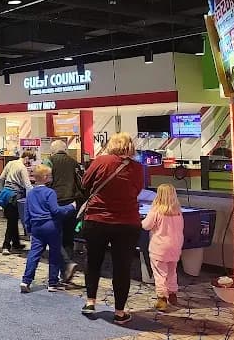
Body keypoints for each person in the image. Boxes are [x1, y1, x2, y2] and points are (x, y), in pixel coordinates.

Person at [80, 132, 144, 324]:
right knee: (122, 267)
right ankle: (119, 312)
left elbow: (84, 183)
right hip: (127, 222)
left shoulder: (101, 161)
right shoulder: (138, 168)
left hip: (97, 220)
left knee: (93, 262)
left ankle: (90, 302)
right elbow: (137, 190)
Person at [19, 165, 76, 293]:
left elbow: (27, 213)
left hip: (36, 227)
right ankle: (52, 282)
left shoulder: (30, 193)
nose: (51, 177)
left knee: (34, 254)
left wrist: (29, 228)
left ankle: (26, 280)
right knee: (54, 254)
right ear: (45, 177)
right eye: (50, 175)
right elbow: (56, 211)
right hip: (51, 226)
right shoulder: (50, 193)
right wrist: (70, 207)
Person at [141, 184, 184, 312]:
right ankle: (172, 294)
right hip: (175, 247)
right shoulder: (178, 212)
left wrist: (140, 221)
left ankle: (162, 298)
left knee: (160, 273)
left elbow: (146, 226)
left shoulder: (156, 211)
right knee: (172, 271)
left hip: (159, 248)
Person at [46, 139, 82, 284]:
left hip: (55, 203)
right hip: (71, 203)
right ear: (65, 150)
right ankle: (66, 273)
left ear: (52, 151)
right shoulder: (74, 162)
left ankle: (65, 265)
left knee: (54, 238)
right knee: (68, 238)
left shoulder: (49, 161)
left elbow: (46, 181)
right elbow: (81, 182)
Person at [0, 151, 34, 255]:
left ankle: (16, 243)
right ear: (27, 158)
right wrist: (35, 195)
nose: (29, 165)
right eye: (29, 162)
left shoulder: (10, 163)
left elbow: (2, 178)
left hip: (6, 195)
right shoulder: (22, 168)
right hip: (16, 196)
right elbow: (27, 186)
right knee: (12, 222)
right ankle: (6, 246)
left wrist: (2, 189)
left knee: (12, 219)